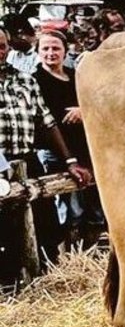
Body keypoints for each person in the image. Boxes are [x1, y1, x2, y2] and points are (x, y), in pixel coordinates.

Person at [0, 28, 93, 286]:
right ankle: (9, 286)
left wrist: (70, 161)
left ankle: (44, 280)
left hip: (26, 159)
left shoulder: (25, 80)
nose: (0, 51)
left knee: (45, 224)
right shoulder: (38, 77)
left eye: (2, 46)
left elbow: (48, 123)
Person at [34, 29, 101, 250]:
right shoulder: (36, 81)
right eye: (45, 48)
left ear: (65, 51)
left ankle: (93, 253)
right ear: (38, 51)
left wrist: (84, 110)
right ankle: (72, 257)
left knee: (94, 208)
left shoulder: (76, 77)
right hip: (57, 152)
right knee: (71, 209)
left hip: (86, 150)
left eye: (55, 48)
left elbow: (98, 105)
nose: (50, 53)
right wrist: (69, 159)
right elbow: (47, 122)